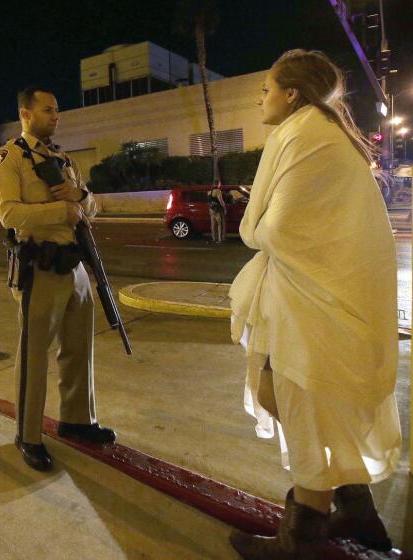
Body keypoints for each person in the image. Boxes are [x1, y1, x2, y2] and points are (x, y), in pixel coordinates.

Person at [229, 50, 401, 559]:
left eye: (267, 87)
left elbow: (277, 228)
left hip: (312, 302)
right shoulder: (317, 132)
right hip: (315, 295)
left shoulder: (303, 134)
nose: (261, 96)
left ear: (292, 94)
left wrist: (252, 230)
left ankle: (300, 539)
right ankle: (355, 508)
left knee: (299, 403)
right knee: (286, 396)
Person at [0, 86, 116, 472]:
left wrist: (81, 195)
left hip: (75, 266)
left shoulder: (63, 158)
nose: (55, 116)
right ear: (26, 114)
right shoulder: (7, 159)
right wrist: (64, 210)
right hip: (38, 268)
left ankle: (77, 420)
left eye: (57, 110)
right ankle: (28, 435)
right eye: (47, 110)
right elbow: (9, 214)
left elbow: (90, 207)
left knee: (79, 350)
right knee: (33, 358)